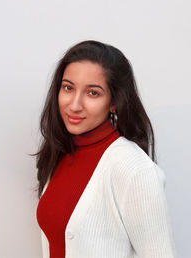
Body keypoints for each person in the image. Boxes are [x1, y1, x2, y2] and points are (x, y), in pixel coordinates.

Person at [35, 40, 177, 258]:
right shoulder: (61, 153)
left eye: (93, 93)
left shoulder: (133, 168)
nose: (74, 104)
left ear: (114, 102)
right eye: (68, 88)